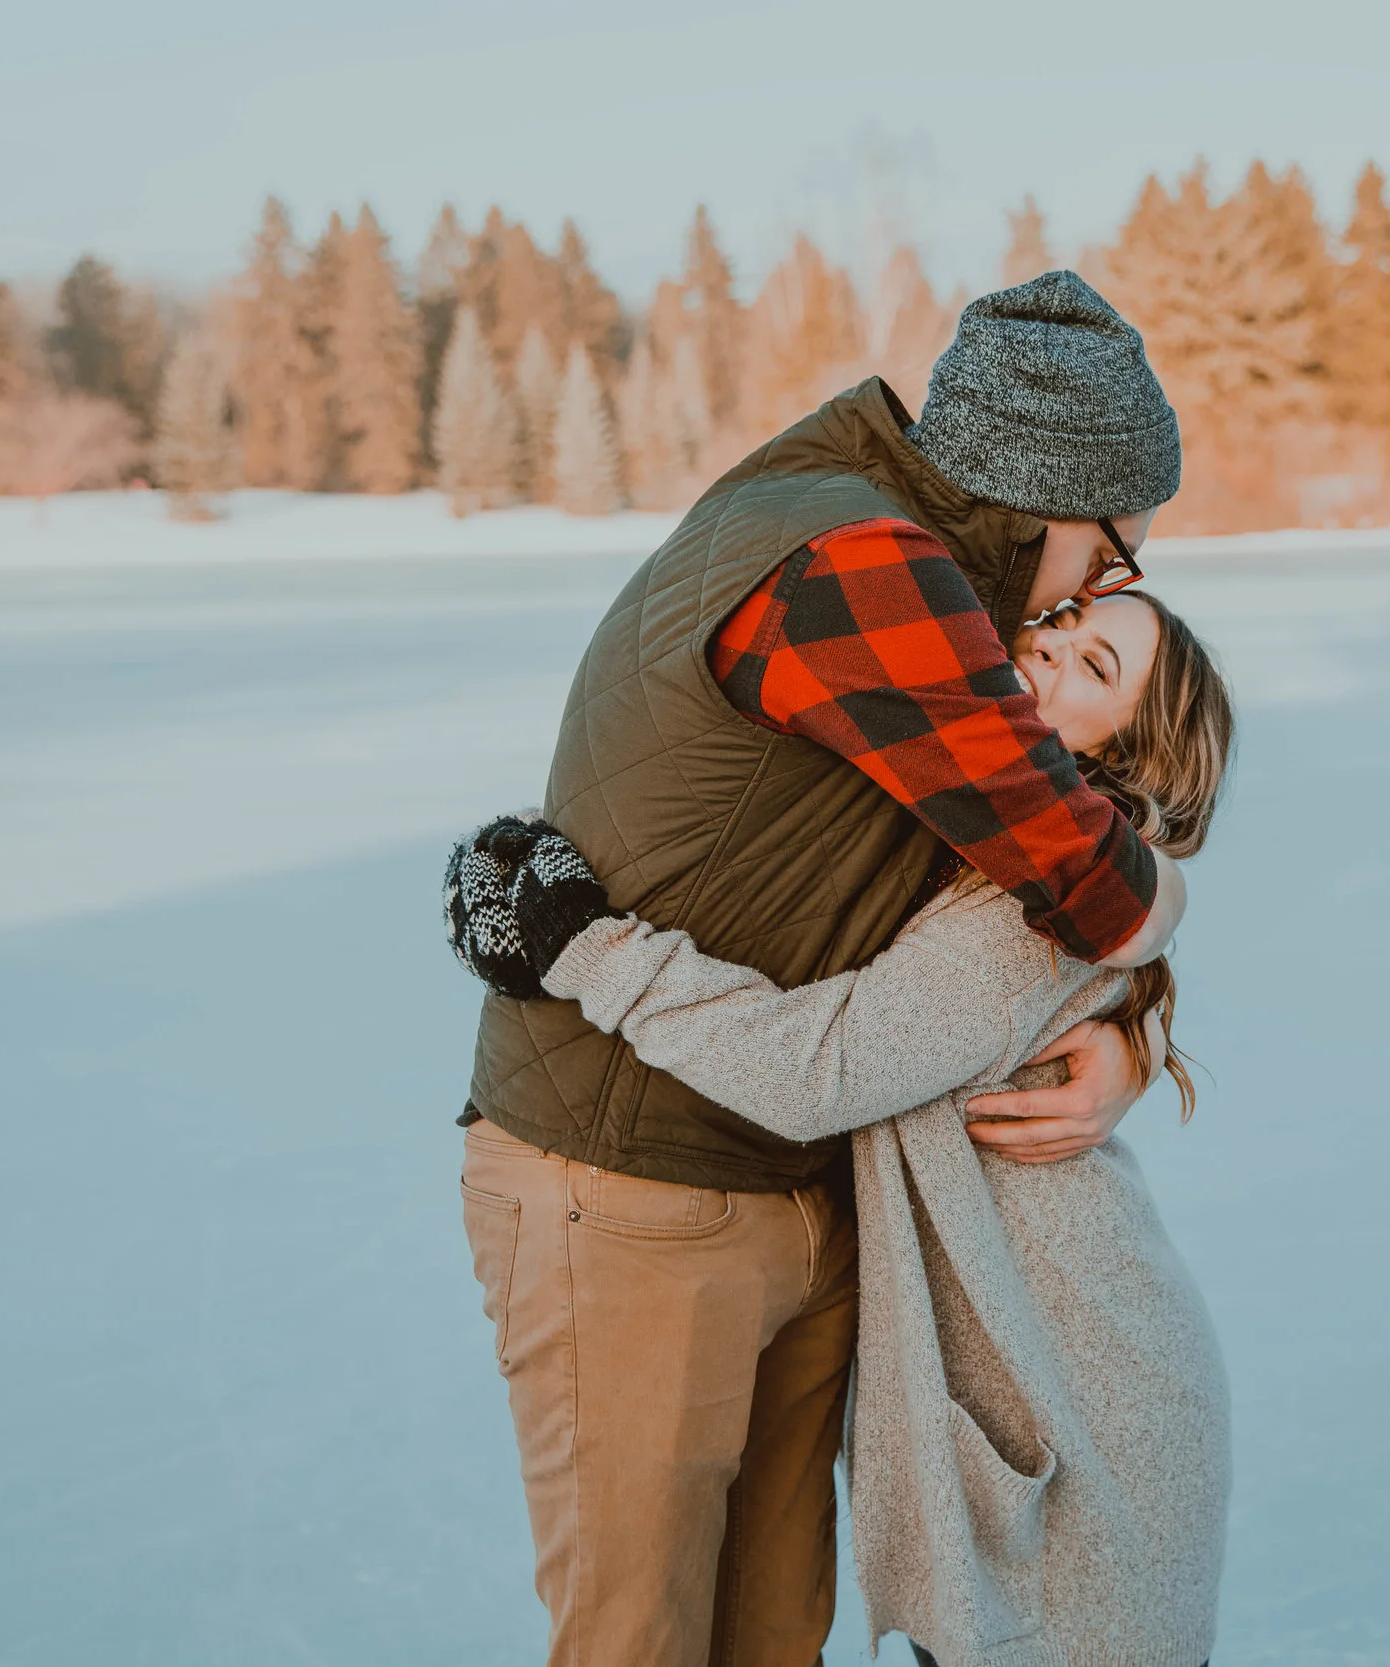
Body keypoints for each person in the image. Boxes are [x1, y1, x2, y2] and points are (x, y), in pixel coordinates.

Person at [453, 272, 1191, 1666]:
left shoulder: (900, 561)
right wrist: (1151, 936)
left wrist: (1133, 1031)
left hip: (789, 1180)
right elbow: (1093, 879)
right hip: (633, 1183)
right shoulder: (859, 559)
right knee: (639, 1643)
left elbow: (1073, 855)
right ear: (1050, 498)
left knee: (765, 1635)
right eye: (1111, 555)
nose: (1104, 584)